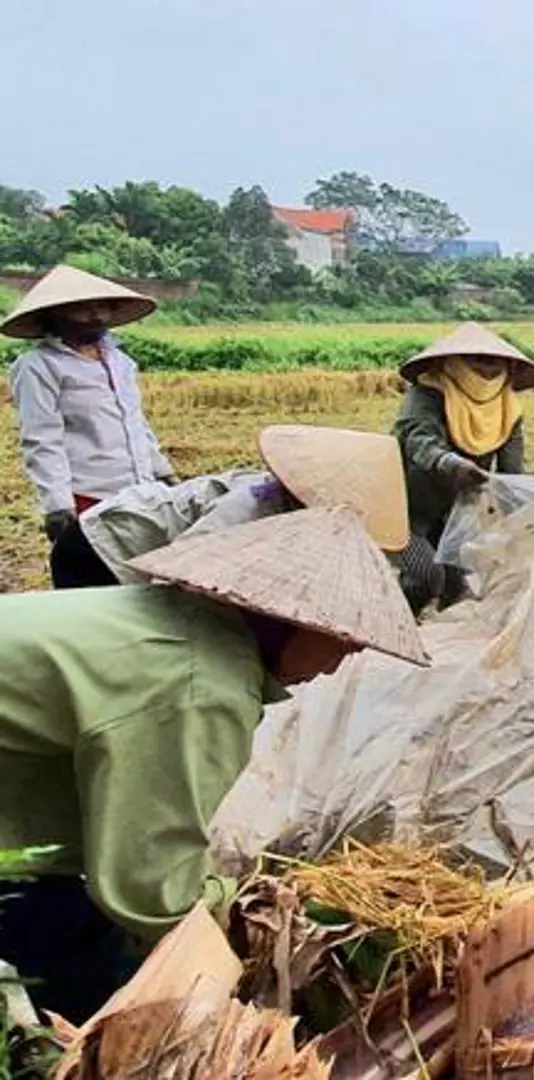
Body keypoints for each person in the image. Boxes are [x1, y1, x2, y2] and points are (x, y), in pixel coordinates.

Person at [0, 505, 429, 1022]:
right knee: (75, 978)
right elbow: (149, 887)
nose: (347, 658)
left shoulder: (182, 620)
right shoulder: (201, 686)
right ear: (294, 619)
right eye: (347, 637)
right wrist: (247, 916)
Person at [59, 425, 411, 588]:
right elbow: (182, 568)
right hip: (102, 546)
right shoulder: (254, 504)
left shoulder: (296, 513)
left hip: (143, 548)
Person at [3, 266, 177, 587]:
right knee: (98, 581)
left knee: (146, 581)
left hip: (141, 490)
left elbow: (135, 421)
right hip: (90, 495)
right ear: (54, 315)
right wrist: (57, 504)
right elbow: (42, 439)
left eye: (102, 307)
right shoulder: (39, 367)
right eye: (82, 308)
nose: (96, 316)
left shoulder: (120, 361)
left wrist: (161, 471)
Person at [393, 322, 534, 610]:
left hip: (458, 514)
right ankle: (397, 629)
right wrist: (453, 465)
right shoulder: (426, 395)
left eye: (494, 370)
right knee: (425, 578)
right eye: (477, 366)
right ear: (453, 363)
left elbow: (512, 474)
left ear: (508, 371)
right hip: (406, 508)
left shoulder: (507, 410)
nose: (486, 376)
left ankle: (428, 639)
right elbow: (419, 441)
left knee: (458, 587)